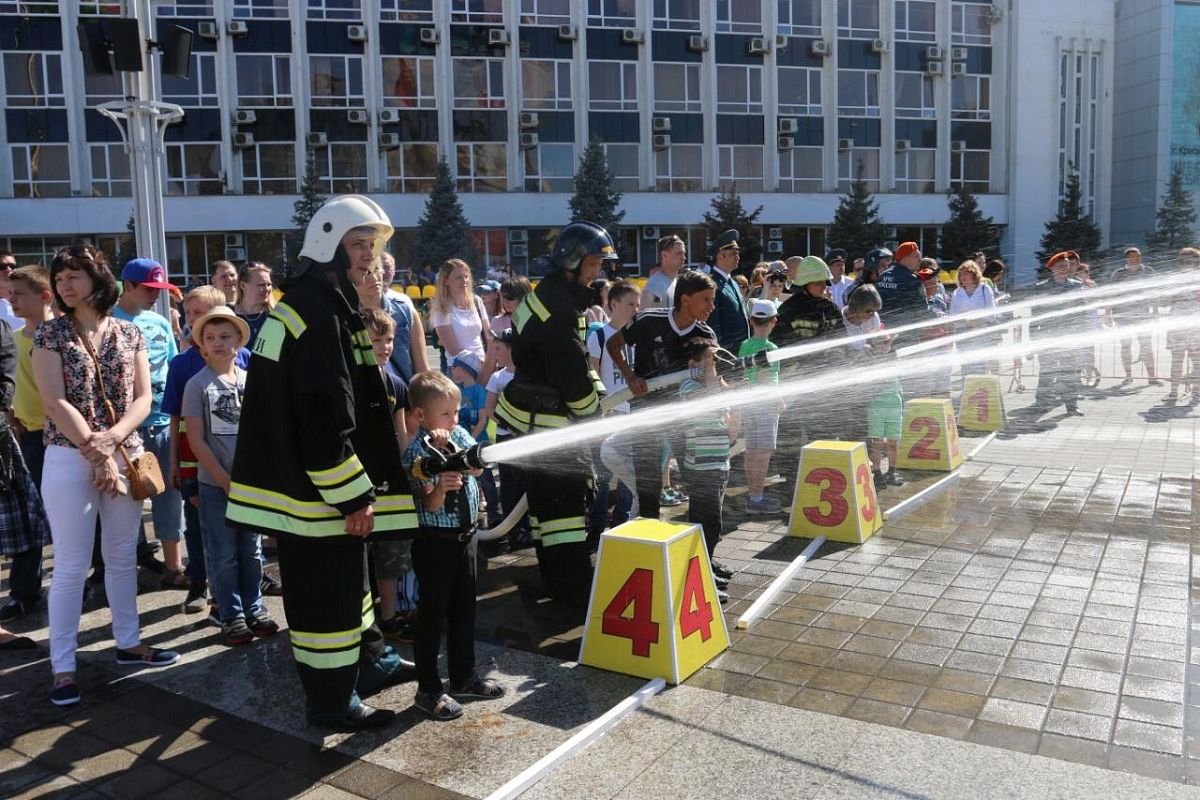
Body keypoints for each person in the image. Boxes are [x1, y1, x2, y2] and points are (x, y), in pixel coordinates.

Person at [227, 195, 419, 731]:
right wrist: (353, 495)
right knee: (325, 603)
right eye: (358, 245)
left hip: (313, 490)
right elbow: (322, 415)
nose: (368, 258)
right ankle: (333, 702)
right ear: (328, 246)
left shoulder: (322, 301)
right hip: (317, 496)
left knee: (350, 587)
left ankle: (371, 662)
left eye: (373, 247)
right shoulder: (316, 311)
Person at [33, 245, 180, 707]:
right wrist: (96, 454)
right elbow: (54, 401)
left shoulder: (129, 333)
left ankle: (130, 643)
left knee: (121, 556)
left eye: (74, 275)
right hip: (68, 456)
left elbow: (142, 398)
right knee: (72, 565)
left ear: (98, 279)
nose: (64, 284)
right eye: (60, 278)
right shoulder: (49, 335)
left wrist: (112, 441)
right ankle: (62, 667)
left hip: (126, 453)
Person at [495, 222, 613, 605]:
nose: (599, 272)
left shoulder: (546, 294)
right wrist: (593, 412)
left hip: (532, 423)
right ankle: (573, 593)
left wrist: (596, 396)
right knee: (564, 514)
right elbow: (572, 377)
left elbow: (567, 362)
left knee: (545, 513)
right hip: (552, 428)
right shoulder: (560, 310)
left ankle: (552, 580)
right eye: (594, 264)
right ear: (573, 262)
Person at [402, 371, 505, 720]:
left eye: (456, 412)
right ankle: (428, 688)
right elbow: (427, 505)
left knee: (465, 610)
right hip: (435, 543)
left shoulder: (458, 434)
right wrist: (441, 486)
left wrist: (458, 450)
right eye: (446, 414)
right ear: (420, 415)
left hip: (466, 538)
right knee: (432, 615)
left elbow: (476, 470)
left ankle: (463, 676)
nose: (454, 419)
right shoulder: (417, 452)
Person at [606, 271, 723, 575]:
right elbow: (613, 345)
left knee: (699, 487)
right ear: (685, 299)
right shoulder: (649, 321)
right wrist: (630, 376)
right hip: (647, 414)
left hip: (686, 420)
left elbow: (713, 381)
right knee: (648, 488)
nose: (712, 306)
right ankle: (648, 559)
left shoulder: (706, 335)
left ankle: (700, 561)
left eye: (713, 300)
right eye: (705, 300)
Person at [183, 307, 279, 646]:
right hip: (215, 485)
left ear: (239, 341)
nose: (218, 343)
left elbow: (263, 431)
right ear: (202, 347)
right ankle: (231, 614)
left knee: (252, 551)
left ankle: (255, 608)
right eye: (210, 338)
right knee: (222, 553)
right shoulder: (196, 385)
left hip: (250, 484)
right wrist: (222, 478)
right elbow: (195, 439)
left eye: (225, 336)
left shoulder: (250, 381)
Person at [164, 286, 252, 616]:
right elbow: (176, 419)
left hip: (238, 469)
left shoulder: (244, 363)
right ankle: (201, 584)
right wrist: (174, 462)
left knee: (242, 541)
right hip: (197, 465)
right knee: (201, 528)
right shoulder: (183, 366)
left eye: (201, 313)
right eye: (190, 315)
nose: (195, 322)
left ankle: (240, 600)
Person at [113, 259, 187, 588]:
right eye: (148, 289)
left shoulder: (159, 321)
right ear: (127, 286)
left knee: (169, 494)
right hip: (124, 427)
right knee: (124, 502)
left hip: (161, 421)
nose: (155, 296)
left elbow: (172, 369)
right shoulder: (108, 322)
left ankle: (174, 568)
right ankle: (125, 568)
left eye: (160, 291)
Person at [361, 307, 417, 641]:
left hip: (391, 481)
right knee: (363, 555)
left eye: (390, 339)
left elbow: (402, 435)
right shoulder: (354, 382)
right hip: (361, 482)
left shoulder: (396, 384)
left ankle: (390, 616)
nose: (385, 347)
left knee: (391, 552)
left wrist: (407, 468)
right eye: (376, 340)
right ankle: (365, 620)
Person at [2, 266, 52, 623]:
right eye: (9, 293)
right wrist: (13, 418)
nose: (10, 299)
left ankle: (87, 578)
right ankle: (24, 592)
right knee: (29, 516)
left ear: (44, 296)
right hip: (28, 438)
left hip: (64, 439)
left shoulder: (60, 337)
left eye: (18, 294)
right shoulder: (16, 335)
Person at [676, 336, 737, 603]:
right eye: (709, 360)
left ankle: (705, 564)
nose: (714, 365)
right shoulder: (688, 386)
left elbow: (732, 427)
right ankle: (699, 574)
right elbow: (709, 398)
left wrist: (730, 390)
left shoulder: (714, 385)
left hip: (719, 464)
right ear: (693, 364)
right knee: (706, 522)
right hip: (700, 468)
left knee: (712, 524)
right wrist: (710, 369)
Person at [586, 281, 639, 539]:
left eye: (637, 305)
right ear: (613, 304)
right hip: (609, 413)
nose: (634, 309)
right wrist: (601, 407)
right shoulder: (598, 336)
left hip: (631, 414)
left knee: (630, 473)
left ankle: (622, 524)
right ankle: (595, 530)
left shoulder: (639, 335)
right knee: (604, 475)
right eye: (630, 304)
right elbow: (593, 373)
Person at [738, 299, 783, 515]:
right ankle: (757, 498)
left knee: (752, 450)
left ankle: (751, 494)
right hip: (765, 405)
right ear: (774, 321)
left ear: (751, 321)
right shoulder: (771, 348)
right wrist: (779, 400)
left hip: (748, 403)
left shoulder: (745, 345)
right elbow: (767, 378)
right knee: (764, 452)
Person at [1030, 251, 1086, 415]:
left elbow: (1081, 312)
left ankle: (1071, 405)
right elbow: (1035, 317)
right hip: (1047, 336)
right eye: (1060, 266)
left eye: (1067, 266)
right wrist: (1034, 339)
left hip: (1069, 337)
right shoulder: (1041, 288)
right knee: (1047, 371)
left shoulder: (1076, 286)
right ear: (1053, 268)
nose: (1064, 269)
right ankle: (1041, 403)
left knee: (1070, 371)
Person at [430, 259, 492, 383]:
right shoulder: (441, 309)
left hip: (485, 368)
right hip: (460, 372)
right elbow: (454, 350)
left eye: (466, 276)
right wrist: (482, 365)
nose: (464, 281)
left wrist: (489, 364)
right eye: (458, 277)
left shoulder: (477, 301)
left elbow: (489, 336)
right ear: (446, 281)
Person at [1108, 246, 1161, 386]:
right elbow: (1111, 295)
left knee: (1147, 346)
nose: (1135, 258)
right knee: (1125, 346)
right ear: (1127, 258)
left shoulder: (1148, 272)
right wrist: (1109, 313)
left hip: (1142, 315)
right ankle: (1128, 376)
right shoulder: (1118, 274)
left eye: (1138, 255)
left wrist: (1155, 311)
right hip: (1123, 316)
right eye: (1132, 256)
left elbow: (1154, 292)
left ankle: (1152, 377)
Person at [775, 256, 843, 346]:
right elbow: (780, 344)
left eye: (825, 282)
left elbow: (841, 340)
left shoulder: (831, 309)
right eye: (818, 283)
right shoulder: (788, 310)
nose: (824, 287)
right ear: (804, 284)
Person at [949, 260, 998, 376]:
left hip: (981, 334)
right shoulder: (957, 292)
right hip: (963, 336)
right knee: (966, 369)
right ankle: (966, 393)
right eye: (961, 274)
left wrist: (979, 321)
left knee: (981, 368)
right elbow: (953, 316)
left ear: (974, 274)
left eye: (966, 273)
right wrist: (966, 322)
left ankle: (981, 393)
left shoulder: (984, 289)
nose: (963, 276)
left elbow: (992, 313)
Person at [705, 230, 750, 353]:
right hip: (727, 355)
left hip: (741, 352)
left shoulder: (733, 283)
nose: (738, 257)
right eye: (733, 254)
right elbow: (713, 324)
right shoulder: (711, 284)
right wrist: (720, 355)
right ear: (720, 256)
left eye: (738, 253)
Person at [1167, 247, 1200, 402]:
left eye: (1191, 259)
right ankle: (1173, 391)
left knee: (1197, 360)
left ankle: (1197, 391)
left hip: (1195, 325)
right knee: (1177, 359)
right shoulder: (1174, 279)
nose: (1188, 262)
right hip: (1178, 324)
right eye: (1185, 260)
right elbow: (1165, 300)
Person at [874, 242, 929, 330]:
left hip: (882, 331)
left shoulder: (883, 276)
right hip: (905, 332)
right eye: (916, 256)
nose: (920, 260)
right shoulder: (911, 279)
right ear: (905, 258)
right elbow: (922, 310)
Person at [232, 262, 275, 350]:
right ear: (243, 285)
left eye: (269, 284)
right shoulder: (228, 314)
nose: (267, 289)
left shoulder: (277, 315)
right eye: (261, 285)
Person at [643, 234, 686, 310]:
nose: (684, 257)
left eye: (684, 253)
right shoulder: (655, 283)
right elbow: (641, 315)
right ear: (664, 255)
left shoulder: (677, 281)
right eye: (679, 253)